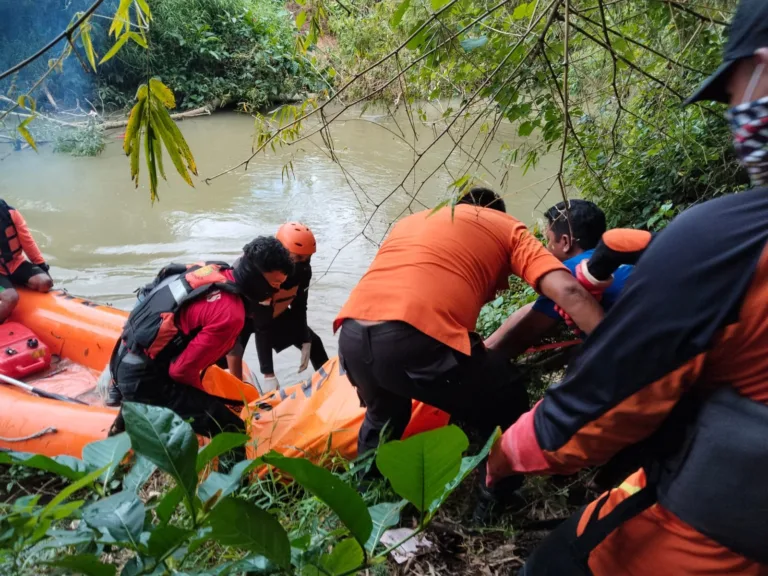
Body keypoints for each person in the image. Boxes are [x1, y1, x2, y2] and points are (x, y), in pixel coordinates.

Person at [487, 2, 768, 573]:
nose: (738, 113)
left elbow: (589, 407)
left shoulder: (723, 241)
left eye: (739, 91)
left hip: (716, 532)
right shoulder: (627, 261)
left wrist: (500, 454)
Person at [335, 186, 604, 463]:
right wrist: (617, 347)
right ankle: (494, 488)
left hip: (352, 336)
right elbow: (568, 291)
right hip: (412, 338)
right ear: (493, 213)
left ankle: (367, 496)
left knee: (384, 418)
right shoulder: (507, 227)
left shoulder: (416, 221)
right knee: (507, 396)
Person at [108, 236, 294, 441]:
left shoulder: (212, 269)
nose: (275, 292)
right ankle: (232, 472)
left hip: (123, 354)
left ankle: (120, 425)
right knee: (233, 430)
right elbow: (180, 371)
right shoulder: (230, 314)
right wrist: (204, 400)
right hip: (143, 377)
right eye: (275, 284)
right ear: (256, 278)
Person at [486, 199, 633, 358]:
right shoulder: (623, 252)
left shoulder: (569, 273)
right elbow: (532, 309)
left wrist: (488, 358)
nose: (547, 247)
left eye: (548, 240)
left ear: (565, 242)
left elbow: (523, 335)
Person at [224, 222, 328, 390]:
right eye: (298, 257)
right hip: (242, 317)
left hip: (274, 313)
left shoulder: (303, 271)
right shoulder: (261, 273)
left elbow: (300, 306)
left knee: (314, 342)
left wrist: (304, 339)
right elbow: (261, 327)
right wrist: (268, 374)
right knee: (226, 362)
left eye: (307, 257)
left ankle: (330, 384)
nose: (304, 263)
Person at [0, 199, 53, 323]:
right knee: (10, 298)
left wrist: (42, 267)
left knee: (45, 282)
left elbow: (28, 242)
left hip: (15, 263)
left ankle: (14, 286)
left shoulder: (10, 213)